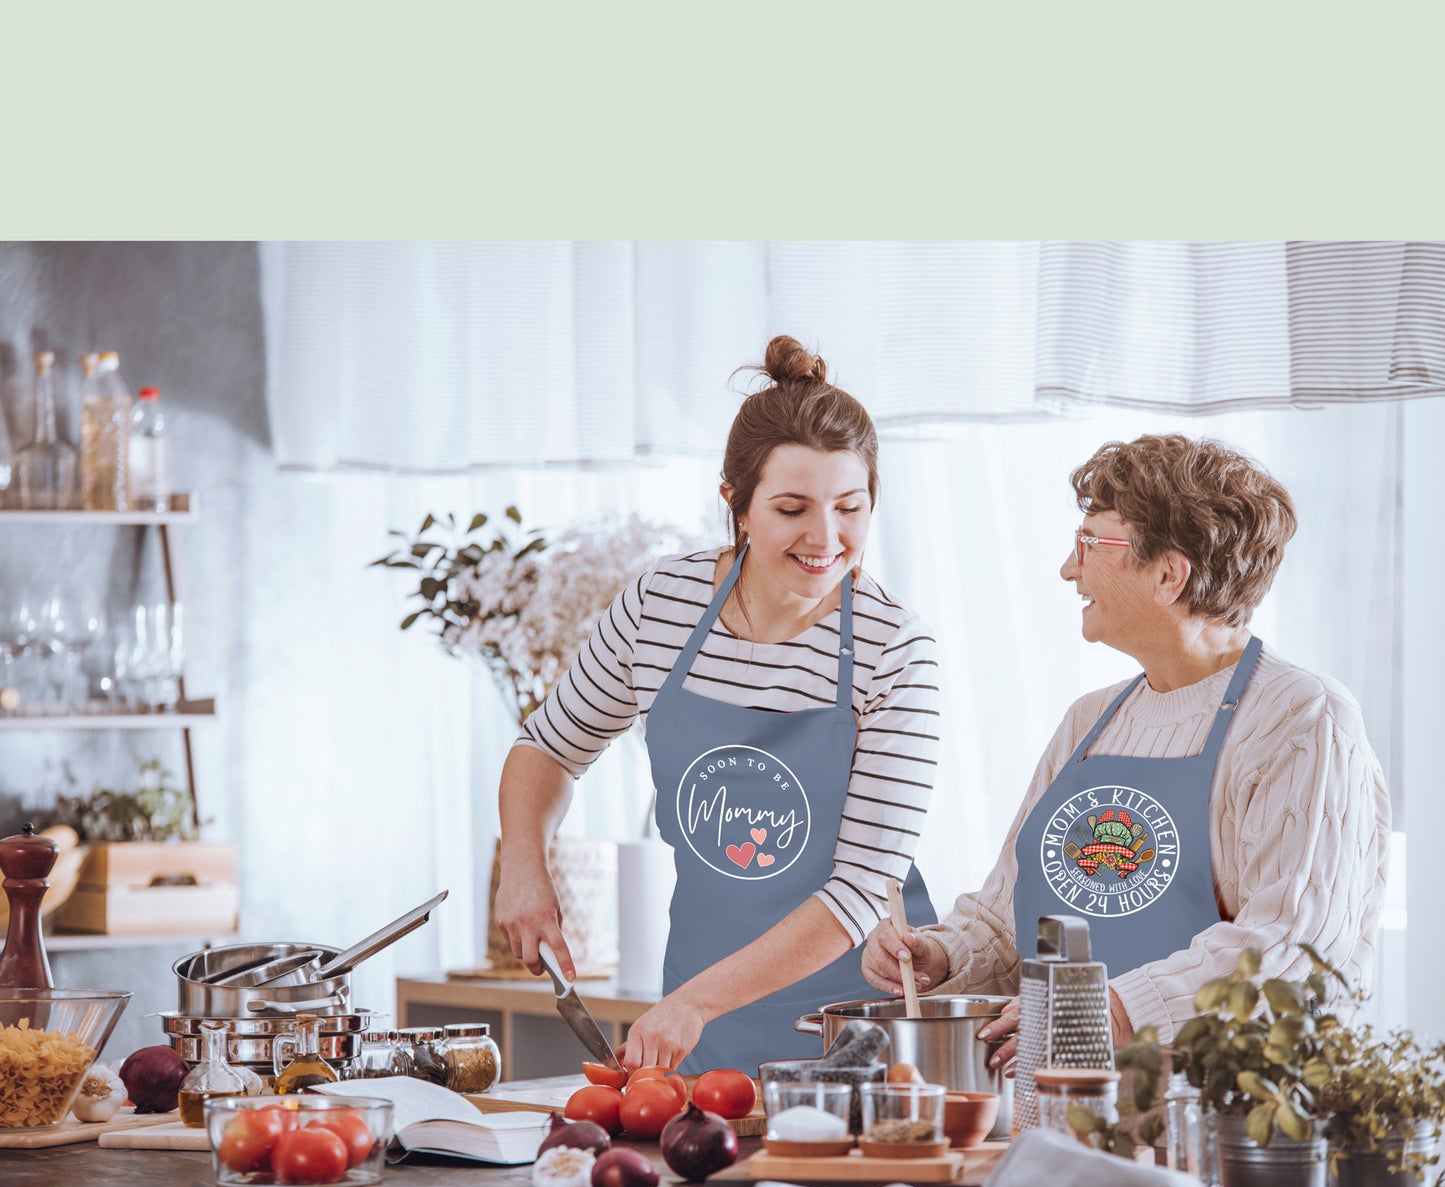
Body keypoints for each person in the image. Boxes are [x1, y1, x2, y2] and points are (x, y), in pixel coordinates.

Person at [861, 433, 1390, 1072]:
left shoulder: (1302, 717)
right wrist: (941, 954)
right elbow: (1012, 915)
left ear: (1169, 574)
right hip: (1056, 1114)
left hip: (1209, 1128)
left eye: (1091, 543)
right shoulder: (1090, 720)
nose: (1068, 567)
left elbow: (1293, 948)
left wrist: (1104, 1008)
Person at [496, 336, 940, 1073]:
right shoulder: (659, 606)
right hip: (699, 1025)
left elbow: (861, 887)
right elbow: (547, 746)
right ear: (733, 501)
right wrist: (523, 865)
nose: (825, 539)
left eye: (849, 507)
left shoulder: (895, 648)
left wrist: (696, 1002)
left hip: (854, 1031)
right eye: (792, 508)